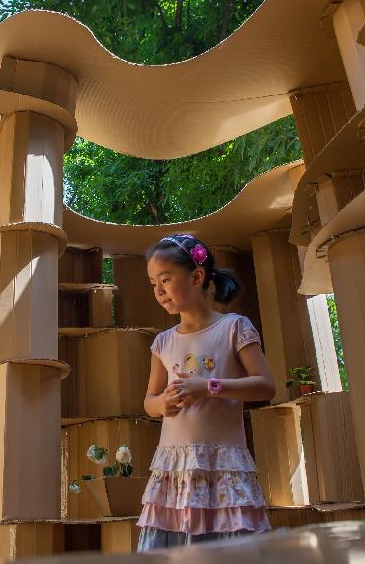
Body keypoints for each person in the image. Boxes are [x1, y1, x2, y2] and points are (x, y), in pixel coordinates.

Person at [138, 234, 276, 551]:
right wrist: (163, 403)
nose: (158, 291)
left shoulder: (234, 327)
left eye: (165, 279)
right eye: (152, 283)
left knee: (233, 553)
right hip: (174, 470)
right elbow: (149, 402)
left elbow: (266, 385)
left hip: (224, 465)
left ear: (197, 277)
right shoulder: (162, 342)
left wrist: (209, 386)